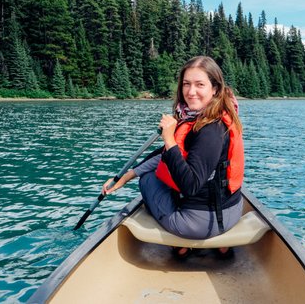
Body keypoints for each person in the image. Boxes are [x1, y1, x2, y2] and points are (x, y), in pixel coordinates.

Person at [102, 56, 245, 259]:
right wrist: (123, 177)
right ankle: (221, 247)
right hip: (232, 212)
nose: (191, 91)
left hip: (198, 225)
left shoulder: (210, 129)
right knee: (168, 167)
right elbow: (163, 155)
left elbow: (190, 185)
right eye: (186, 84)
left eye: (199, 84)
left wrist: (169, 141)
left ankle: (182, 245)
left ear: (215, 88)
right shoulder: (208, 115)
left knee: (149, 179)